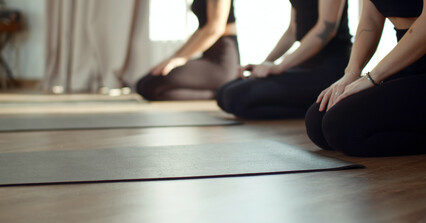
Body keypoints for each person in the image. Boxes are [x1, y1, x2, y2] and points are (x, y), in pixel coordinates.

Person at [305, 0, 426, 157]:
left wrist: (372, 77)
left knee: (339, 126)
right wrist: (351, 73)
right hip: (406, 65)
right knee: (317, 121)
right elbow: (370, 22)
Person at [216, 0, 352, 119]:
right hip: (305, 65)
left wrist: (280, 66)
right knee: (224, 92)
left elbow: (326, 30)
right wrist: (265, 64)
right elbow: (292, 31)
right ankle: (311, 104)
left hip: (329, 67)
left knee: (233, 97)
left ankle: (317, 108)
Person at [136, 0, 239, 101]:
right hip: (208, 57)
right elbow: (201, 31)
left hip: (222, 61)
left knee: (149, 86)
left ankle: (223, 92)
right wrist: (173, 58)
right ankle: (222, 92)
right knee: (143, 85)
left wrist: (182, 57)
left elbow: (214, 29)